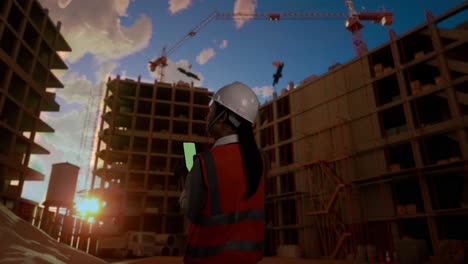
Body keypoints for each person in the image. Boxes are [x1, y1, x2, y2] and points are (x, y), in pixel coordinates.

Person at [178, 81, 268, 264]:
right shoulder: (261, 160)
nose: (207, 116)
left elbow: (192, 212)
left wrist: (186, 184)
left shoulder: (205, 162)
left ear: (222, 117)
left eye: (212, 110)